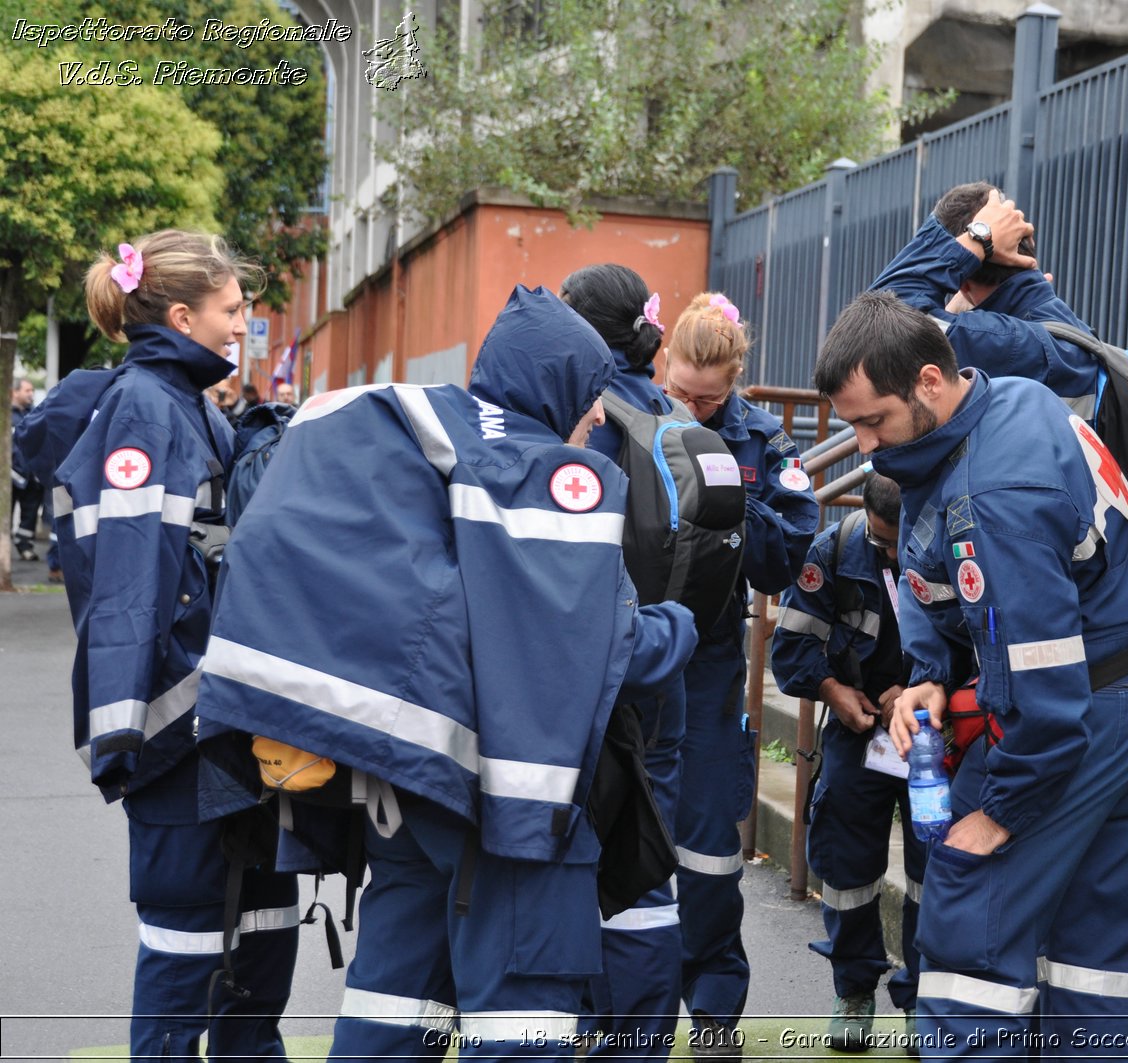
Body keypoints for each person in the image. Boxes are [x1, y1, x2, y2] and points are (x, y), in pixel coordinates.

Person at [195, 284, 699, 1060]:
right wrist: (683, 624)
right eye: (592, 394)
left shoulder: (440, 444)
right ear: (555, 383)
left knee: (394, 1000)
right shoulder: (533, 468)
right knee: (521, 1018)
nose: (598, 415)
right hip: (505, 805)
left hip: (402, 781)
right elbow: (596, 645)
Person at [814, 290, 1128, 1060]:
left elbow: (1043, 691)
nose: (860, 445)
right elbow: (955, 583)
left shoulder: (997, 493)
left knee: (970, 911)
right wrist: (930, 673)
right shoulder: (1002, 400)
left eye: (872, 420)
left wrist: (997, 814)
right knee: (1094, 946)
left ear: (927, 381)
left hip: (1082, 709)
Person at [13, 231, 300, 1060]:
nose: (245, 323)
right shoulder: (146, 407)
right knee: (187, 961)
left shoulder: (189, 405)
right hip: (188, 738)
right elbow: (134, 591)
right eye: (233, 308)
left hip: (228, 728)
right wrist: (133, 734)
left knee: (256, 953)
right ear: (182, 315)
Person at [663, 292, 818, 1057]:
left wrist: (727, 492)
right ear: (662, 364)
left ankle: (716, 1011)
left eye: (709, 397)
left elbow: (789, 555)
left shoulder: (761, 440)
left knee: (708, 850)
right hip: (622, 659)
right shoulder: (628, 421)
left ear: (735, 381)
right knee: (615, 839)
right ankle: (618, 1010)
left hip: (710, 660)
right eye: (682, 391)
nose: (692, 405)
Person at [561, 262, 686, 1062]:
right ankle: (639, 1041)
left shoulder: (589, 422)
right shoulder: (674, 417)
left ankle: (588, 1034)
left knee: (582, 862)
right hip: (666, 673)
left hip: (595, 673)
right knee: (648, 868)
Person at [769, 471, 926, 1053]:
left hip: (934, 732)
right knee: (844, 863)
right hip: (859, 733)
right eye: (883, 542)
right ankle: (854, 990)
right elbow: (791, 649)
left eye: (900, 541)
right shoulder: (832, 552)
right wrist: (832, 689)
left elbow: (975, 642)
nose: (891, 553)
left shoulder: (947, 545)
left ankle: (922, 1000)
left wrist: (921, 692)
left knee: (933, 867)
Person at [871, 183, 1101, 400]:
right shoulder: (1055, 331)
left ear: (965, 281)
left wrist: (977, 238)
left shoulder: (1008, 342)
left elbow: (874, 324)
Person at [11, 378, 43, 561]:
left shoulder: (35, 414)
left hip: (31, 474)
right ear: (15, 392)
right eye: (27, 390)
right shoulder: (5, 414)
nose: (31, 394)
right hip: (9, 475)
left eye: (32, 390)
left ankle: (25, 546)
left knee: (30, 514)